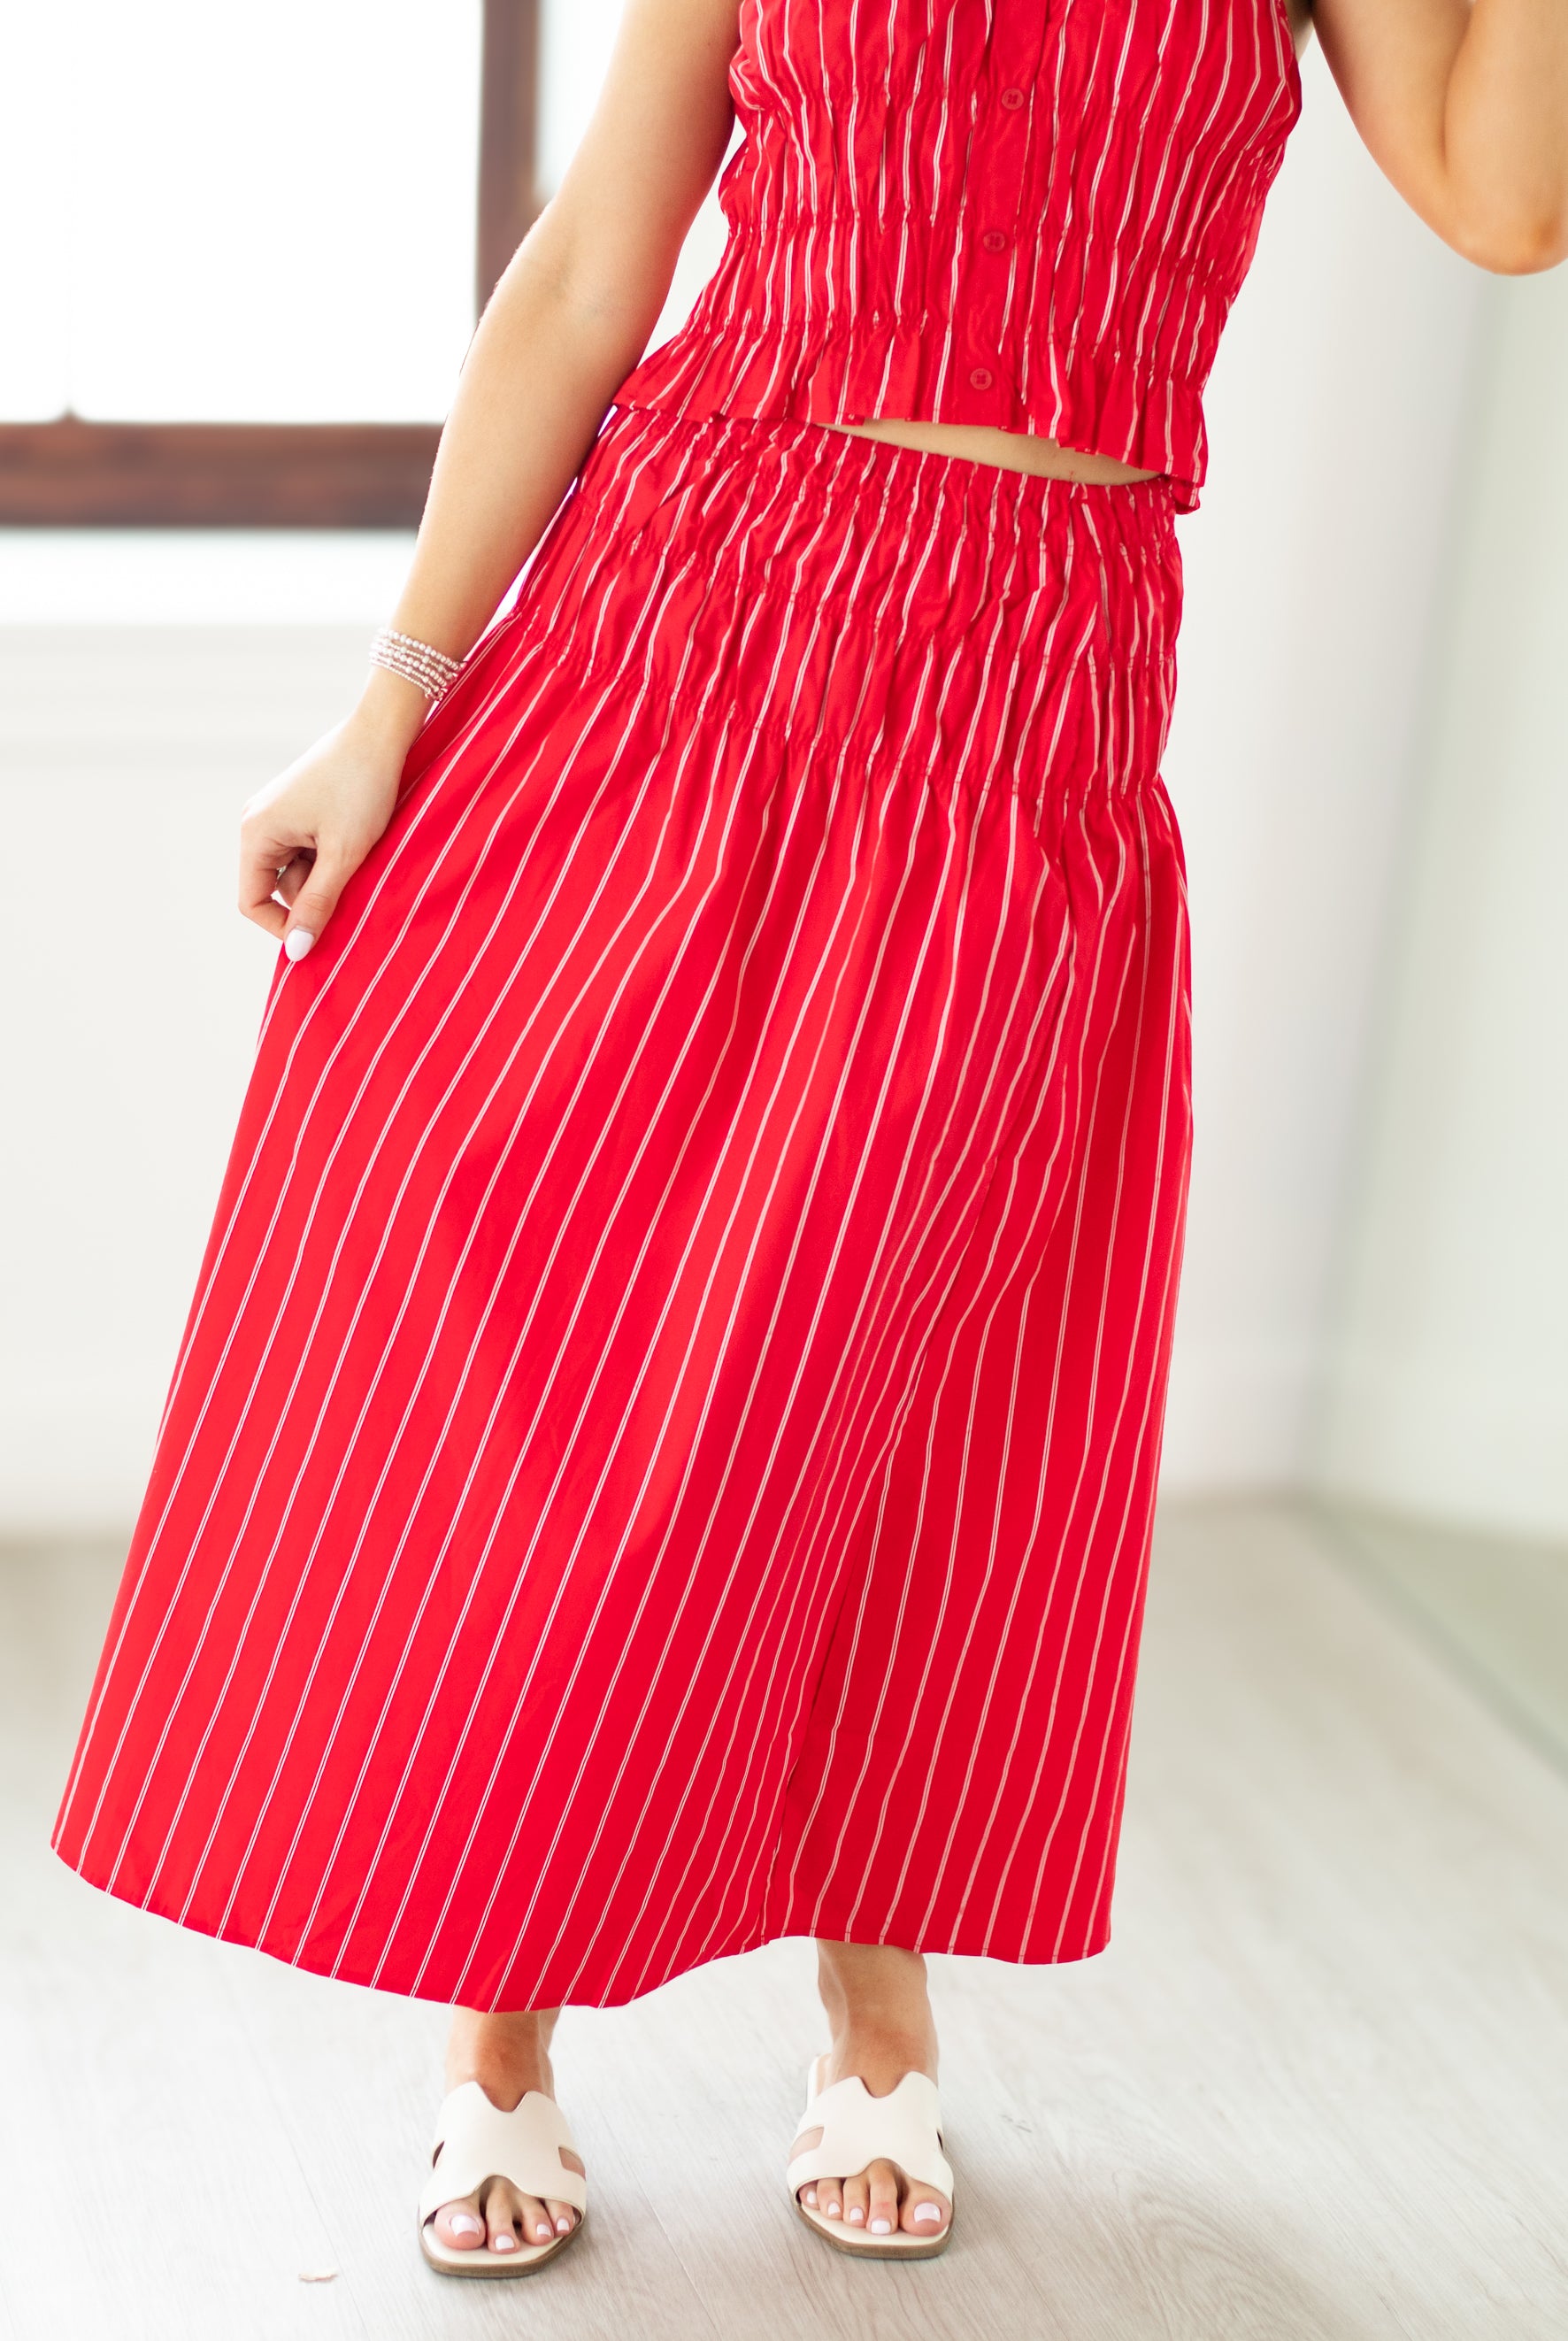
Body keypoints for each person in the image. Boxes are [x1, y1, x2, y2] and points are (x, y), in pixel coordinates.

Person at [52, 0, 1564, 2280]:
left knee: (902, 1376)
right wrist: (389, 704)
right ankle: (497, 2019)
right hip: (692, 619)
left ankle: (873, 1976)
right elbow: (589, 271)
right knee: (574, 1351)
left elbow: (1506, 196)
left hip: (1029, 683)